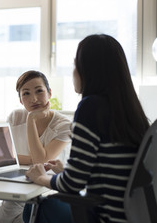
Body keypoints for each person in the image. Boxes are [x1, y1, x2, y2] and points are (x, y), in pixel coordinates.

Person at [24, 34, 150, 223]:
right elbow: (108, 169)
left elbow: (73, 183)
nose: (73, 72)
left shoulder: (90, 108)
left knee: (35, 207)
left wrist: (41, 178)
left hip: (106, 216)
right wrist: (65, 170)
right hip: (134, 215)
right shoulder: (130, 110)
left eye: (76, 66)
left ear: (88, 71)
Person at [0, 70, 72, 223]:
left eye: (39, 91)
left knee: (12, 208)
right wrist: (29, 159)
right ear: (21, 100)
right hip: (19, 184)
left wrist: (31, 120)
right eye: (26, 94)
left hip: (48, 188)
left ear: (49, 93)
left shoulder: (64, 125)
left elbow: (39, 160)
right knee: (13, 206)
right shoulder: (15, 117)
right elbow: (0, 156)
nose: (33, 99)